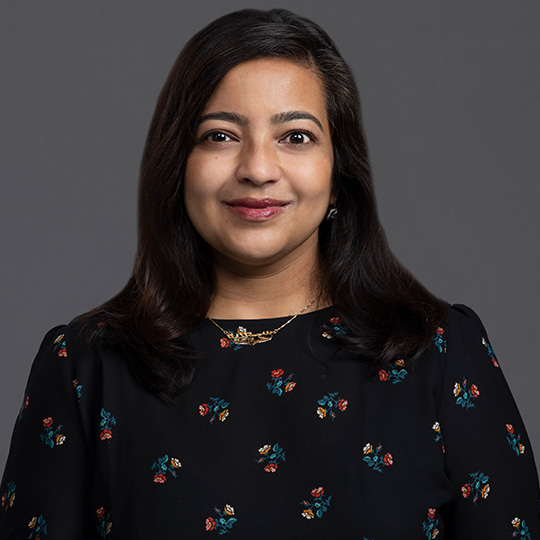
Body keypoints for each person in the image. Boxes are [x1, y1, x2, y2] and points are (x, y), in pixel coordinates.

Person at [1, 8, 538, 539]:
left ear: (339, 168)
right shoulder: (86, 365)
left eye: (296, 137)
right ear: (177, 165)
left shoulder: (438, 351)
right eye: (220, 135)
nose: (257, 169)